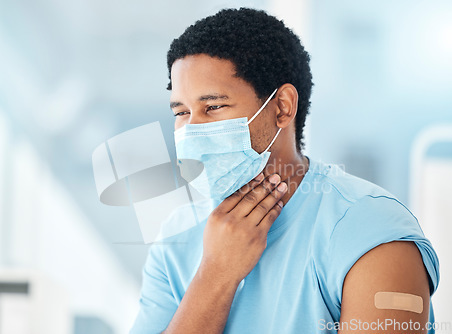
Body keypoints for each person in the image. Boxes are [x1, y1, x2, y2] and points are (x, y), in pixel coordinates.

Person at [130, 7, 439, 334]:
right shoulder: (176, 238)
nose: (191, 129)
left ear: (282, 107)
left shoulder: (369, 229)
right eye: (181, 112)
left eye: (214, 107)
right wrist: (216, 274)